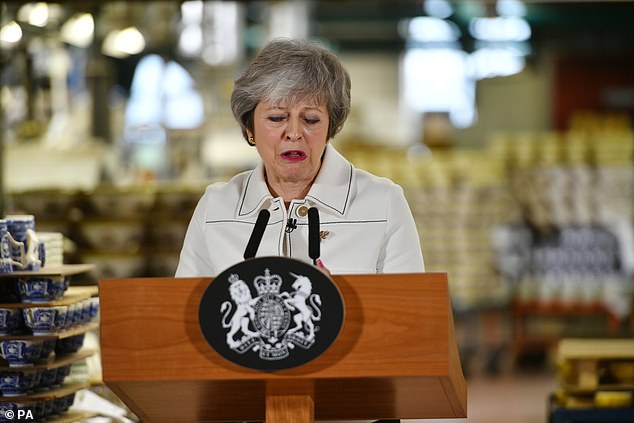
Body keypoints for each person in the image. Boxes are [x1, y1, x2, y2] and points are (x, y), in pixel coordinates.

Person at [175, 38, 424, 278]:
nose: (294, 133)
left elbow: (409, 312)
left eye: (311, 119)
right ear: (249, 128)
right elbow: (183, 311)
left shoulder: (383, 203)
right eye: (276, 118)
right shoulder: (215, 207)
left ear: (330, 127)